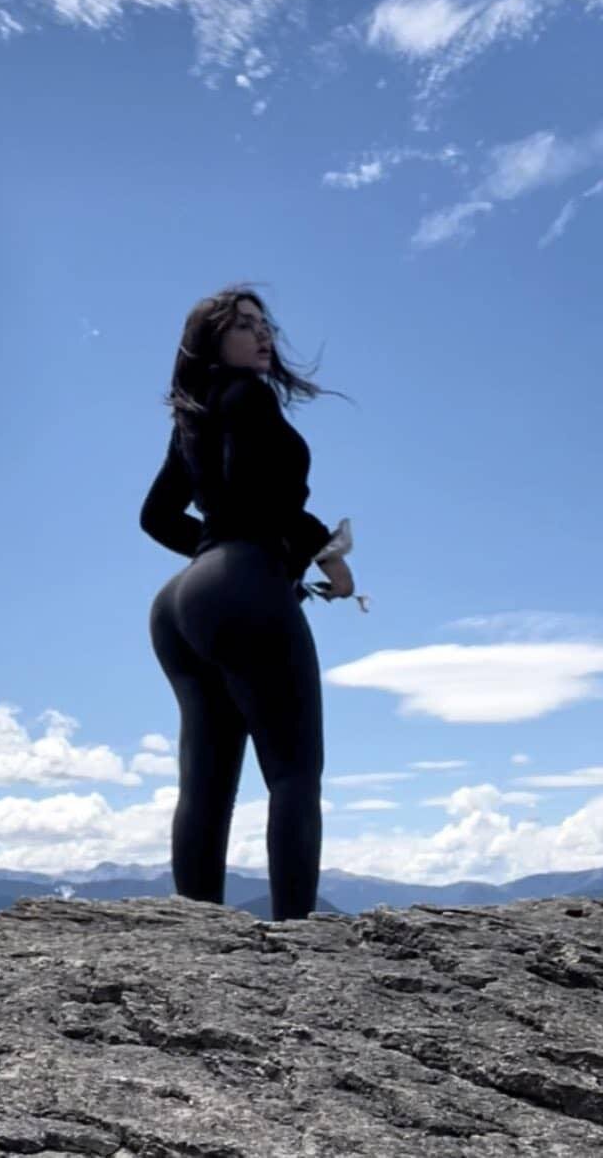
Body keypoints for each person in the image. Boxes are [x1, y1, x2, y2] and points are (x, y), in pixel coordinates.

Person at [140, 283, 355, 921]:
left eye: (264, 325)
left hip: (180, 605)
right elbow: (265, 493)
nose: (261, 335)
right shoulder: (247, 396)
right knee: (293, 775)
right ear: (212, 344)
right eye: (243, 326)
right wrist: (319, 552)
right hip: (241, 585)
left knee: (206, 787)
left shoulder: (191, 417)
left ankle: (196, 933)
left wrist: (215, 557)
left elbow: (156, 517)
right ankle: (297, 943)